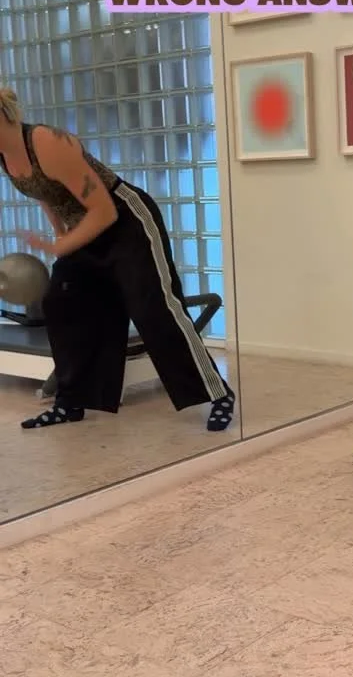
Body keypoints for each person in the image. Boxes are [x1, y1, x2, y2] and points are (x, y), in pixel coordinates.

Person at [0, 86, 235, 432]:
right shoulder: (5, 156)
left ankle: (218, 394)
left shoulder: (46, 142)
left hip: (125, 221)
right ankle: (70, 402)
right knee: (61, 303)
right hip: (82, 228)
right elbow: (43, 192)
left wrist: (60, 248)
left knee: (153, 309)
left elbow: (104, 211)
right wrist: (60, 233)